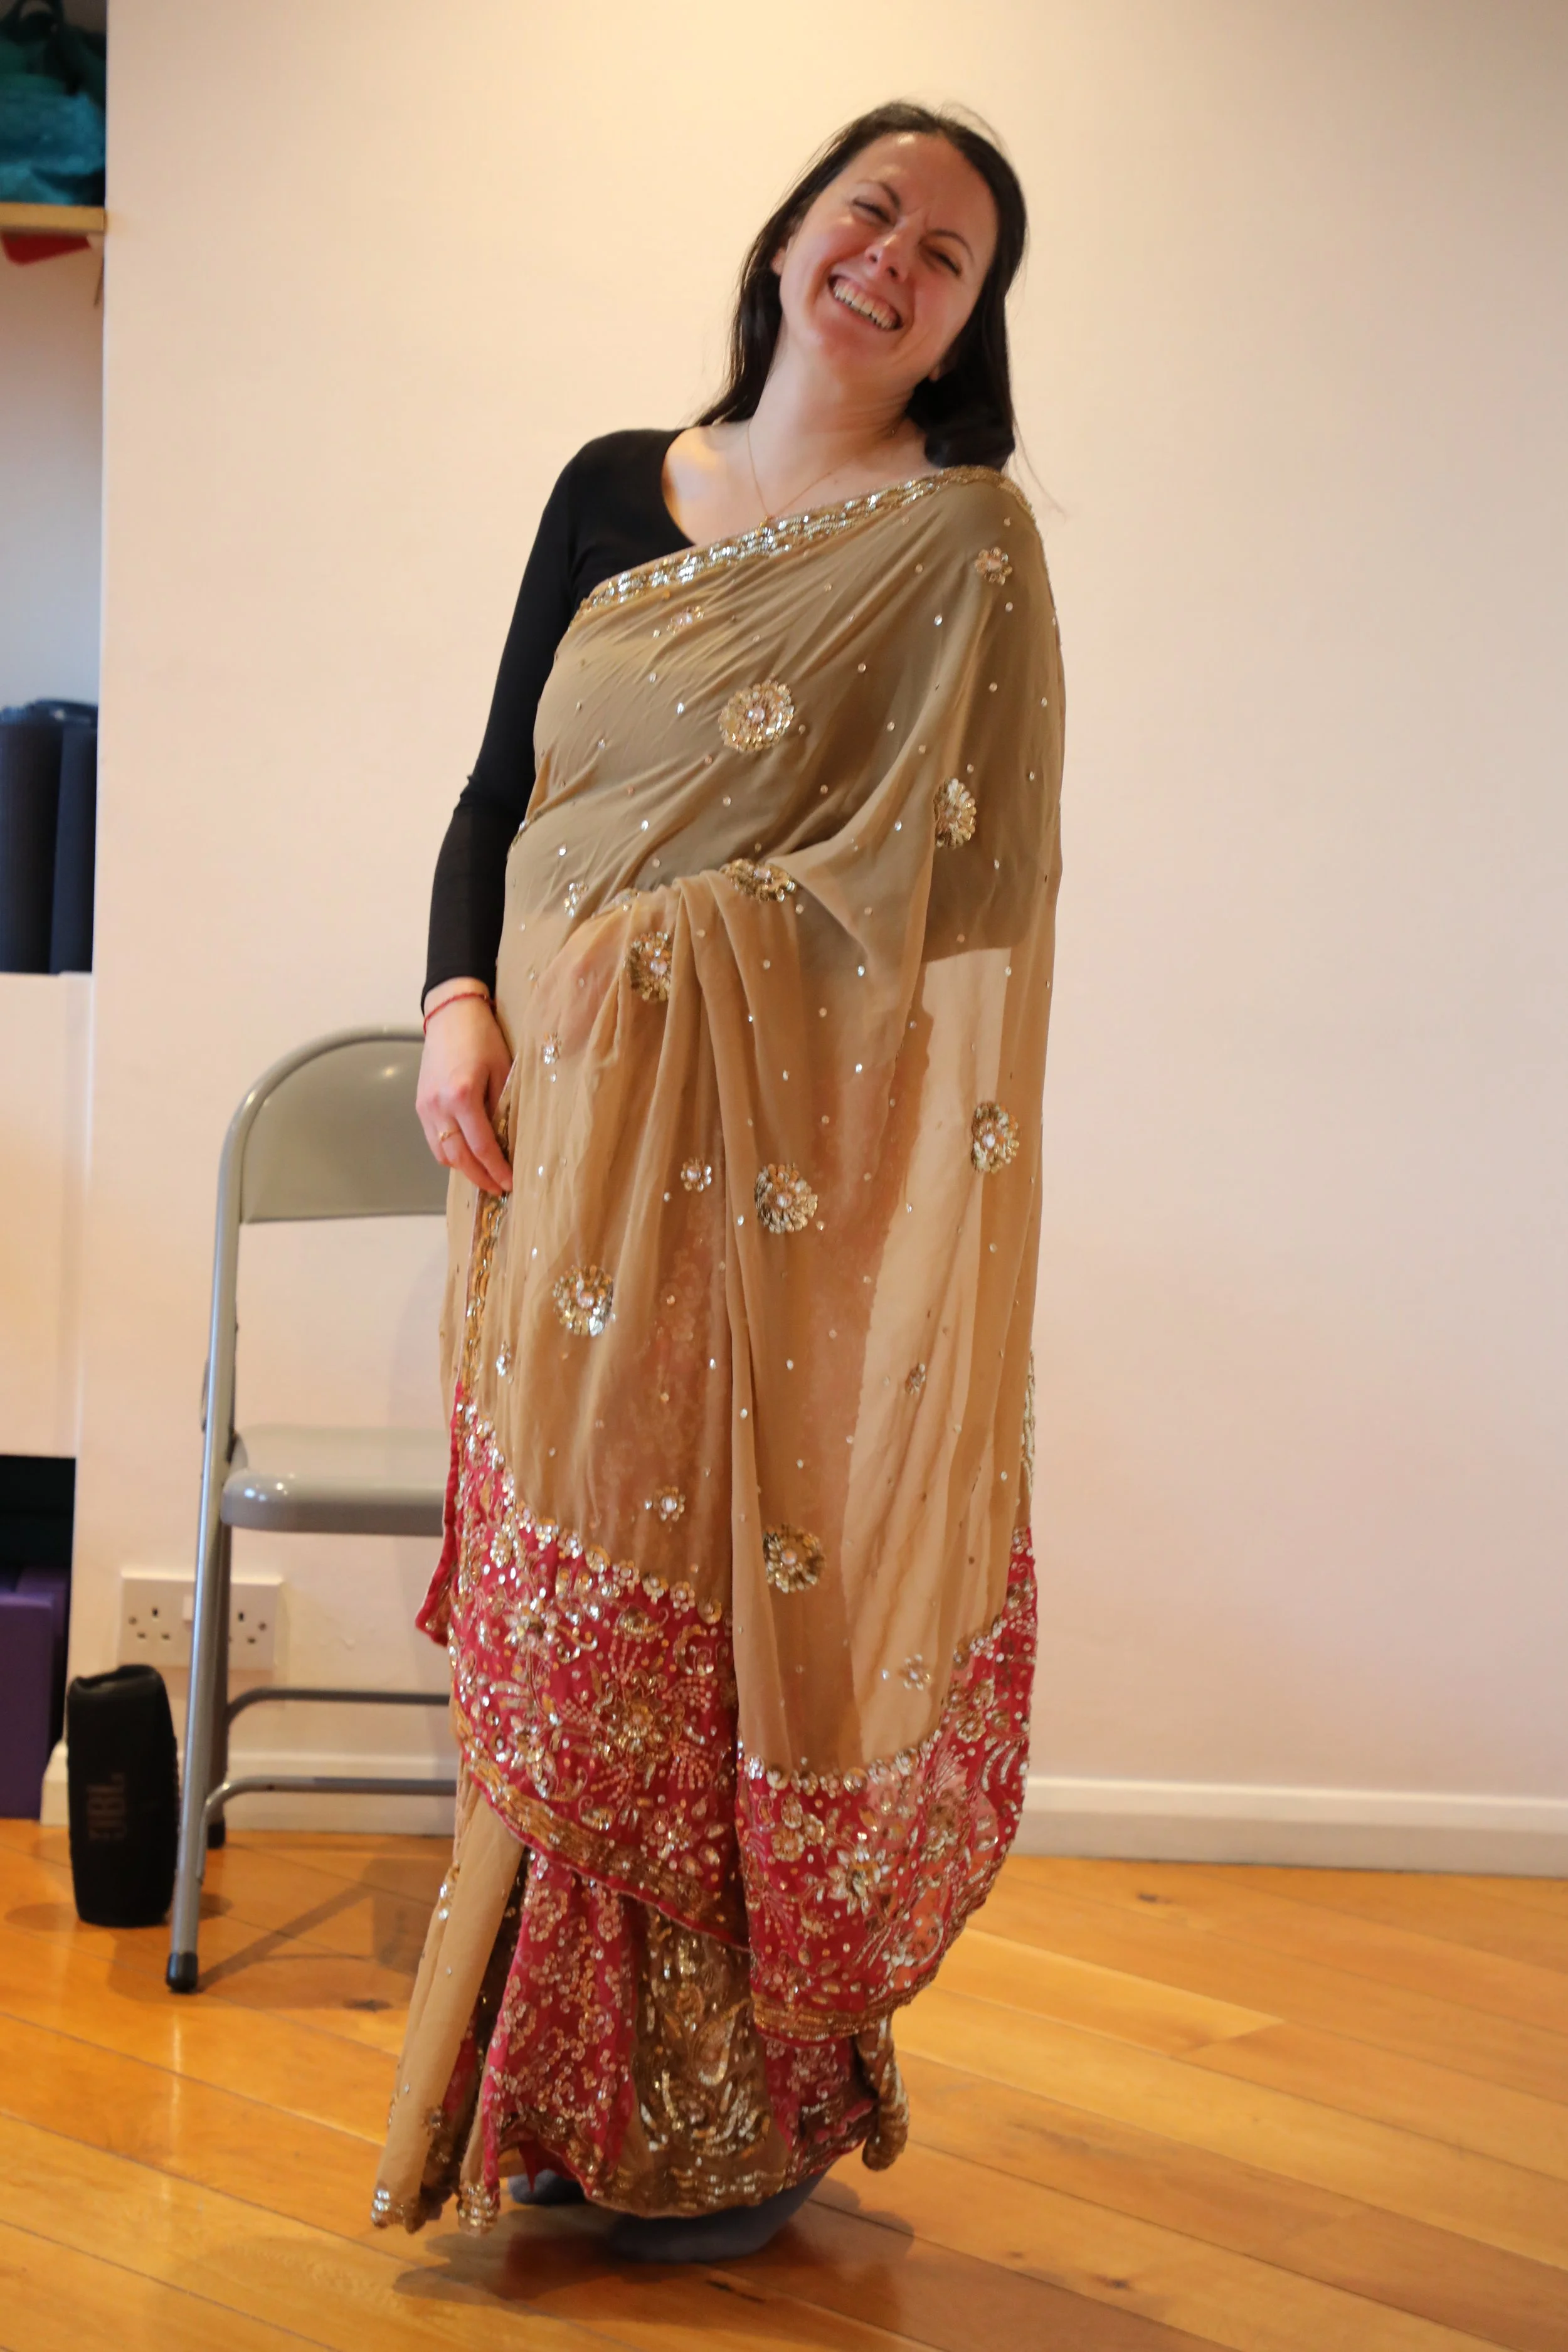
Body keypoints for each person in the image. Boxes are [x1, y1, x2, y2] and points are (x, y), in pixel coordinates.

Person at [373, 98, 1064, 2262]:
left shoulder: (960, 551)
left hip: (762, 1177)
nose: (891, 258)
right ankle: (539, 2099)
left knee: (732, 1609)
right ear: (790, 235)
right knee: (562, 1602)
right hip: (554, 1150)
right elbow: (501, 785)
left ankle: (705, 2117)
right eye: (870, 210)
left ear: (966, 323)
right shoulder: (610, 486)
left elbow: (962, 901)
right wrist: (460, 998)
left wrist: (684, 962)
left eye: (944, 253)